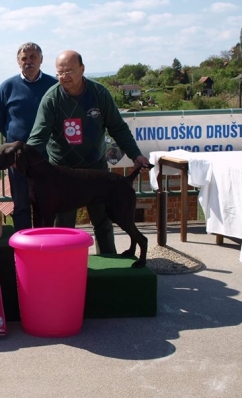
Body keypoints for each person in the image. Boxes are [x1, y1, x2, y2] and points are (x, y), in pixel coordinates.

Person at [27, 50, 151, 253]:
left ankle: (110, 262)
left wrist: (135, 154)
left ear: (82, 69)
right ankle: (65, 266)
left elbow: (117, 127)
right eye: (60, 72)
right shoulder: (51, 98)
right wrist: (25, 159)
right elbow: (38, 136)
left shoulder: (99, 93)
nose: (64, 76)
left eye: (69, 71)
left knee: (103, 221)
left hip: (95, 169)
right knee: (64, 226)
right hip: (63, 173)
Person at [0, 42, 57, 230]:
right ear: (18, 61)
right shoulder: (7, 87)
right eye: (24, 58)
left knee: (44, 204)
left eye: (33, 57)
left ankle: (44, 246)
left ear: (41, 60)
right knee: (20, 204)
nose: (28, 62)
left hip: (45, 157)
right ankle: (23, 247)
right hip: (17, 157)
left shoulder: (53, 85)